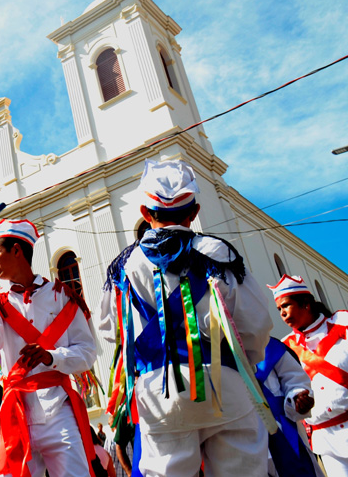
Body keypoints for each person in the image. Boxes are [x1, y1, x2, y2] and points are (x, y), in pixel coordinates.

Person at [98, 159, 272, 477]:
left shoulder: (125, 265)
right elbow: (256, 324)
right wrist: (244, 362)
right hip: (225, 383)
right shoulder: (219, 252)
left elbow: (111, 330)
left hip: (159, 389)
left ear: (145, 212)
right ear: (194, 212)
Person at [0, 219, 98, 477]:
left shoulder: (61, 295)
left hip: (59, 410)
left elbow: (87, 352)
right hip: (15, 410)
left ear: (17, 250)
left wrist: (52, 357)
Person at [270, 274, 348, 477]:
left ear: (306, 303)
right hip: (326, 440)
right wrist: (296, 401)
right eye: (279, 309)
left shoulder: (343, 323)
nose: (283, 313)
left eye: (286, 306)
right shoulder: (285, 347)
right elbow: (286, 390)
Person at [255, 336, 321, 477]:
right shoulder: (212, 357)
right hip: (244, 438)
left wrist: (297, 398)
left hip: (285, 431)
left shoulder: (270, 346)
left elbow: (295, 380)